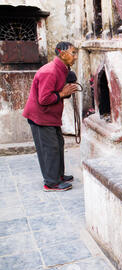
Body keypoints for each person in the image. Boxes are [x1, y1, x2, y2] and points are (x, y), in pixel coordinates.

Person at [22, 41, 79, 191]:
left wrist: (66, 91)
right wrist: (63, 93)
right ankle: (51, 182)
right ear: (62, 53)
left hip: (51, 116)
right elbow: (44, 99)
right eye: (73, 53)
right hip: (40, 116)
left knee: (58, 145)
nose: (76, 56)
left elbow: (58, 91)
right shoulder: (50, 71)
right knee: (49, 148)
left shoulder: (63, 69)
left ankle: (58, 175)